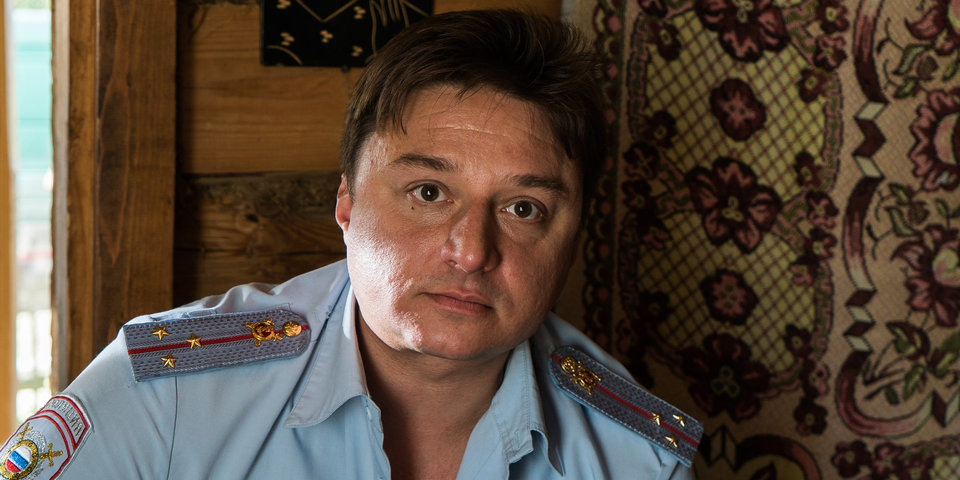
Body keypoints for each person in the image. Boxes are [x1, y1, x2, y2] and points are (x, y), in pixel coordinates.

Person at [2, 9, 700, 479]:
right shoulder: (168, 394)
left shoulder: (638, 458)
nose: (470, 251)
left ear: (571, 241)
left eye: (524, 208)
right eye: (429, 192)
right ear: (346, 201)